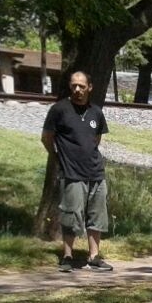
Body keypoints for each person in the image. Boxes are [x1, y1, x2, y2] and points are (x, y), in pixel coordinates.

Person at [41, 70, 112, 273]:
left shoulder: (96, 112)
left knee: (97, 216)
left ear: (89, 87)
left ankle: (94, 257)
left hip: (96, 172)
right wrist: (57, 157)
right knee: (71, 216)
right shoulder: (59, 110)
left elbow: (96, 139)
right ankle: (68, 256)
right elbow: (47, 137)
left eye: (81, 86)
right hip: (72, 173)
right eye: (74, 85)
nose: (77, 89)